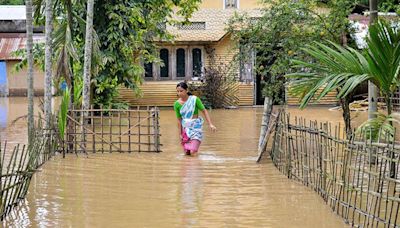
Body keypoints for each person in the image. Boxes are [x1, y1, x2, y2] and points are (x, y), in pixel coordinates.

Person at [174, 82, 217, 155]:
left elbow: (204, 111)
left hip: (196, 129)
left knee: (193, 151)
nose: (179, 93)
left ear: (186, 90)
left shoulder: (194, 99)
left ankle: (196, 165)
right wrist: (180, 134)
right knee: (186, 153)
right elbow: (179, 120)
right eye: (178, 91)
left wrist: (210, 124)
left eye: (181, 91)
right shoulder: (176, 104)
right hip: (185, 130)